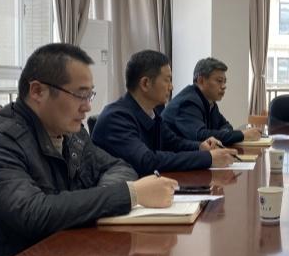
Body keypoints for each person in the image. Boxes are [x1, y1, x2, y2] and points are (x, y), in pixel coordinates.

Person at [0, 44, 178, 256]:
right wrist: (130, 194)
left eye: (89, 94)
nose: (87, 107)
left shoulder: (71, 133)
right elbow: (33, 213)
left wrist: (99, 200)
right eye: (80, 95)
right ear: (37, 91)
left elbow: (118, 167)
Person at [92, 50, 236, 176]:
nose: (171, 87)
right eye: (167, 80)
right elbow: (147, 161)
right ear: (145, 84)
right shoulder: (116, 118)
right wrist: (208, 158)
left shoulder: (152, 112)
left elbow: (174, 143)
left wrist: (200, 147)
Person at [162, 57, 261, 145]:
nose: (224, 86)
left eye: (224, 82)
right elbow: (201, 136)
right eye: (219, 81)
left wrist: (221, 134)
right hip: (170, 156)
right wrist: (242, 135)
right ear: (201, 81)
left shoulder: (210, 103)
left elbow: (226, 126)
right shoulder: (189, 102)